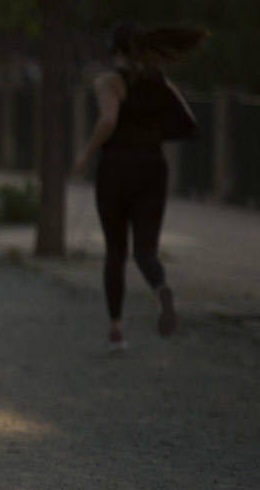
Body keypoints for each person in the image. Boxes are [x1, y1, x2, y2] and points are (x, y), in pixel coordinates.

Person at [73, 21, 204, 351]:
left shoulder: (109, 81)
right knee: (145, 251)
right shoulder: (158, 81)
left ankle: (116, 333)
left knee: (115, 252)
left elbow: (107, 121)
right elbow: (187, 118)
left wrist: (85, 155)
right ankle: (160, 289)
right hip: (153, 168)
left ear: (114, 50)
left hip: (116, 169)